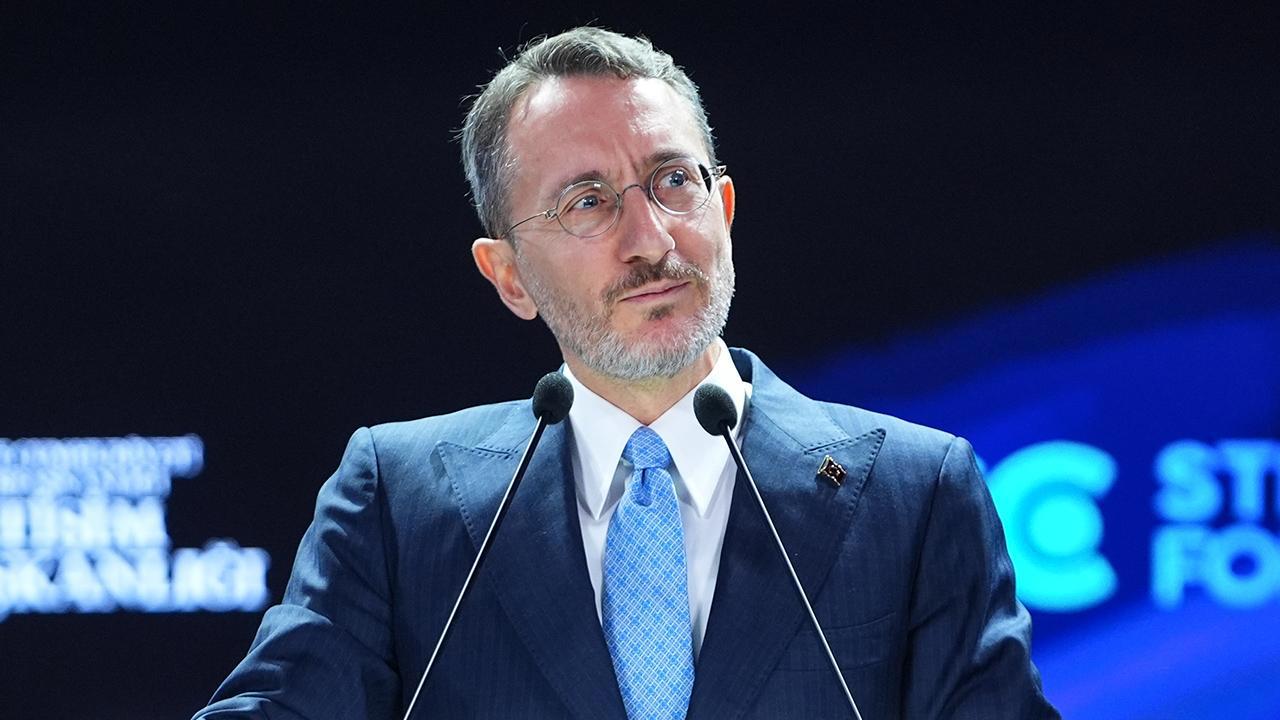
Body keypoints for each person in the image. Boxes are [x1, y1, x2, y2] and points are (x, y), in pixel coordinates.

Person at [195, 27, 1058, 719]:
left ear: (723, 210)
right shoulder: (401, 503)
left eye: (672, 181)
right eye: (588, 202)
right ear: (509, 276)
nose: (651, 240)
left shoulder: (913, 494)